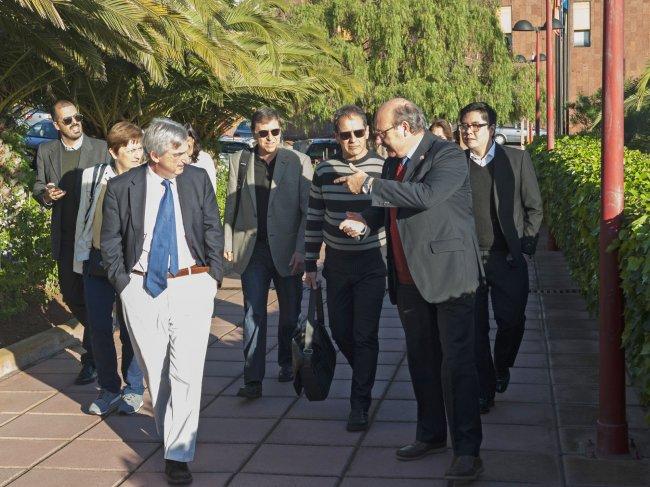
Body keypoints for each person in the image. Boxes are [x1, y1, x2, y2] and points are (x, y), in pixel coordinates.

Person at [337, 98, 483, 481]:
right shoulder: (392, 163)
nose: (379, 141)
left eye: (382, 133)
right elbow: (389, 208)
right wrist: (365, 222)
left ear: (404, 127)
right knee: (421, 361)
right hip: (408, 280)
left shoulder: (447, 155)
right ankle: (431, 435)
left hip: (451, 277)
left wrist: (368, 182)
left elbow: (425, 196)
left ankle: (467, 451)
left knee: (457, 366)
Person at [101, 118, 223, 485]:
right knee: (157, 373)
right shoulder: (122, 187)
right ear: (155, 154)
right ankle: (172, 439)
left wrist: (212, 277)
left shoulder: (197, 179)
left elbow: (211, 227)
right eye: (177, 150)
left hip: (192, 283)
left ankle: (178, 454)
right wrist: (123, 285)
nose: (185, 155)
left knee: (187, 372)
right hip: (141, 289)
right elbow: (110, 242)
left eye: (185, 148)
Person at [303, 105, 386, 432]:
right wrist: (310, 262)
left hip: (371, 263)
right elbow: (313, 218)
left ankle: (359, 402)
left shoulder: (382, 168)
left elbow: (391, 214)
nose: (352, 140)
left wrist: (368, 227)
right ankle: (364, 374)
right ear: (336, 136)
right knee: (340, 331)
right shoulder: (324, 171)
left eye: (358, 132)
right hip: (335, 263)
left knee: (365, 334)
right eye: (345, 134)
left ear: (367, 132)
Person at [459, 102, 543, 414]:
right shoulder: (456, 164)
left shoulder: (516, 159)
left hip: (506, 257)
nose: (469, 131)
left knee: (511, 321)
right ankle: (485, 390)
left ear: (491, 129)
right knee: (476, 329)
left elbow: (534, 206)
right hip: (470, 258)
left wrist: (525, 245)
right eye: (465, 125)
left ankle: (502, 365)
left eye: (476, 125)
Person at [223, 107, 312, 399]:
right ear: (254, 134)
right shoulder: (241, 160)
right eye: (263, 133)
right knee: (253, 313)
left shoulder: (298, 161)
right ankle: (253, 379)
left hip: (288, 250)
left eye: (275, 132)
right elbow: (231, 206)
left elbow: (307, 212)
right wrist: (228, 241)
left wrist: (303, 249)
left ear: (281, 131)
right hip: (253, 249)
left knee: (289, 314)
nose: (270, 138)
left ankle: (287, 361)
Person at [33, 100, 112, 385]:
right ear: (56, 125)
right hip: (66, 238)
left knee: (91, 297)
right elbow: (39, 184)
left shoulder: (101, 148)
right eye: (67, 120)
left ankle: (91, 360)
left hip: (93, 238)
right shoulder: (47, 151)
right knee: (70, 296)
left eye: (77, 117)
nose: (75, 123)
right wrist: (46, 194)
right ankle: (99, 328)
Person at [73, 122, 146, 416]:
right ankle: (109, 388)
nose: (138, 154)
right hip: (97, 261)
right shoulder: (94, 176)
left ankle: (134, 388)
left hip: (131, 264)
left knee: (131, 329)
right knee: (100, 328)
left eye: (140, 147)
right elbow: (84, 217)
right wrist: (81, 258)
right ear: (114, 151)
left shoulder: (146, 179)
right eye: (131, 149)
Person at [185, 124, 217, 194]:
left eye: (187, 140)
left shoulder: (204, 158)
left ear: (193, 139)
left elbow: (211, 185)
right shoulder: (177, 157)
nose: (185, 143)